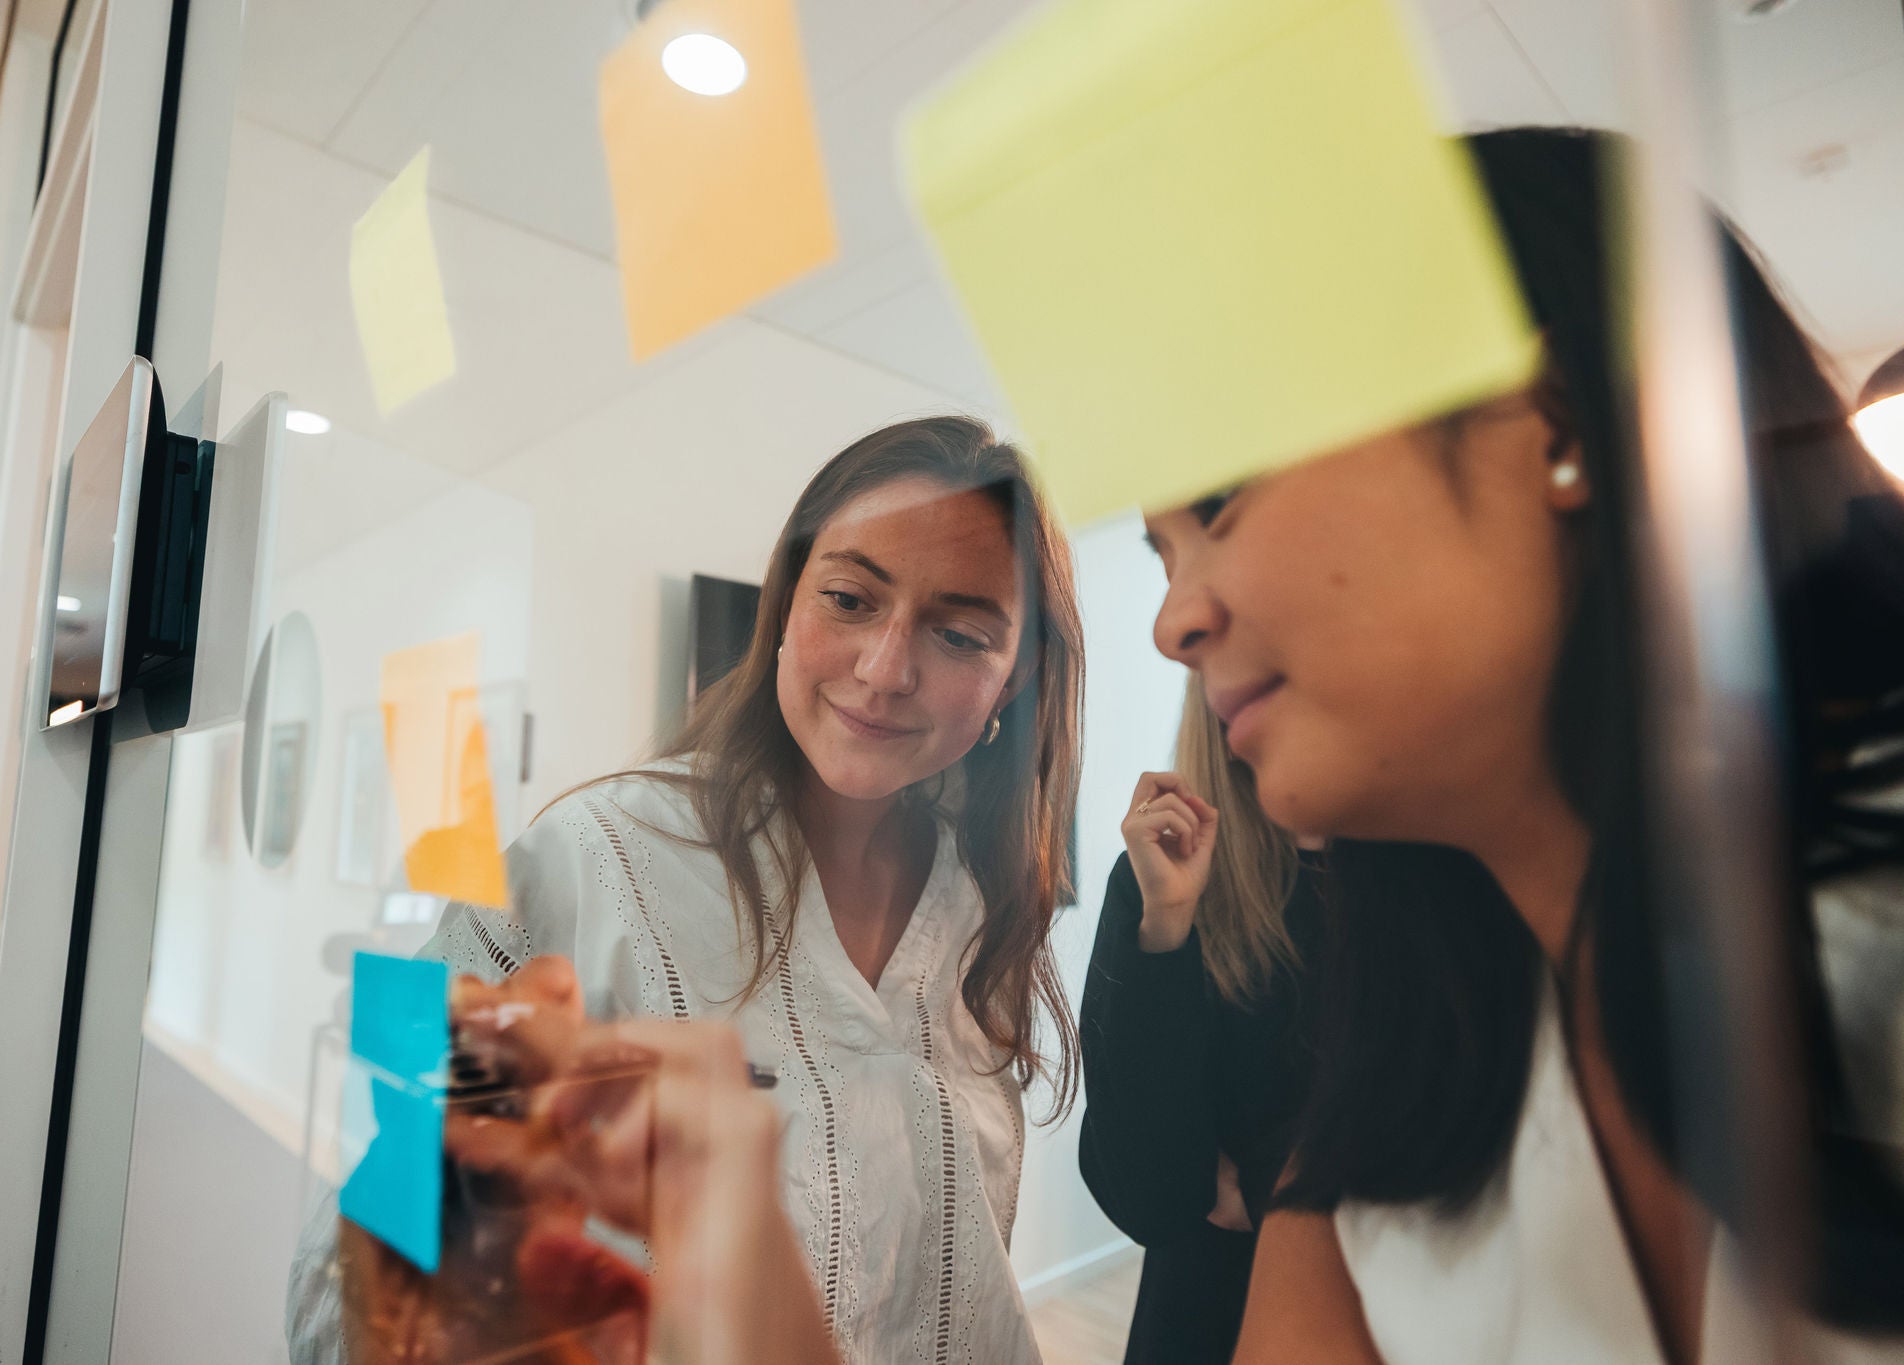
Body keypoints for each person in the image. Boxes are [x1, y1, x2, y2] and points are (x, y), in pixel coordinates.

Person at [1129, 128, 1904, 1362]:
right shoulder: (1391, 1123)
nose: (1176, 619)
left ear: (1548, 425)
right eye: (1159, 555)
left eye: (1220, 501)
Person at [289, 415, 1084, 1364]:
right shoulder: (594, 862)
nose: (885, 670)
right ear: (787, 605)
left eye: (958, 634)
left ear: (1018, 676)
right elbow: (362, 1270)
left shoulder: (983, 914)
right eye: (849, 599)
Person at [1077, 679, 1321, 1363]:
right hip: (1203, 1317)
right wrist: (1166, 928)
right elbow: (1150, 1195)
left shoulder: (1445, 876)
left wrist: (1265, 1181)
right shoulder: (1161, 877)